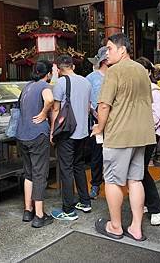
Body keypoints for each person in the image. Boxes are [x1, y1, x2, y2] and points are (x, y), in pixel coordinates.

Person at [92, 33, 155, 242]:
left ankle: (116, 226)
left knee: (112, 181)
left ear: (122, 50)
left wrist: (99, 127)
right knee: (135, 180)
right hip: (143, 135)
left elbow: (103, 105)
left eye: (109, 48)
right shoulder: (141, 71)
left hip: (119, 135)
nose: (107, 53)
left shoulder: (114, 71)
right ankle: (136, 228)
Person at [50, 55, 93, 221]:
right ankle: (85, 201)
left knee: (66, 169)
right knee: (79, 166)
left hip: (67, 132)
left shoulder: (60, 83)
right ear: (73, 66)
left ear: (59, 70)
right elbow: (88, 106)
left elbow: (55, 110)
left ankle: (68, 210)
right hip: (82, 131)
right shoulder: (86, 82)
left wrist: (53, 132)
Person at [16, 60, 54, 228]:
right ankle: (39, 216)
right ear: (48, 74)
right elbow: (50, 99)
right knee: (39, 174)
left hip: (22, 135)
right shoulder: (44, 85)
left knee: (29, 173)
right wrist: (44, 113)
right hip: (37, 135)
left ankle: (27, 210)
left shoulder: (27, 86)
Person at [136, 57, 160, 226]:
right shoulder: (135, 89)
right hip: (136, 134)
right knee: (138, 171)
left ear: (148, 72)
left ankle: (157, 208)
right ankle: (149, 203)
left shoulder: (155, 91)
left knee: (141, 171)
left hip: (148, 134)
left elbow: (156, 117)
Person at [86, 46, 108, 199]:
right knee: (97, 154)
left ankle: (112, 181)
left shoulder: (117, 75)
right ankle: (95, 183)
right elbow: (86, 101)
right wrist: (95, 113)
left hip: (116, 121)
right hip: (96, 120)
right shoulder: (91, 78)